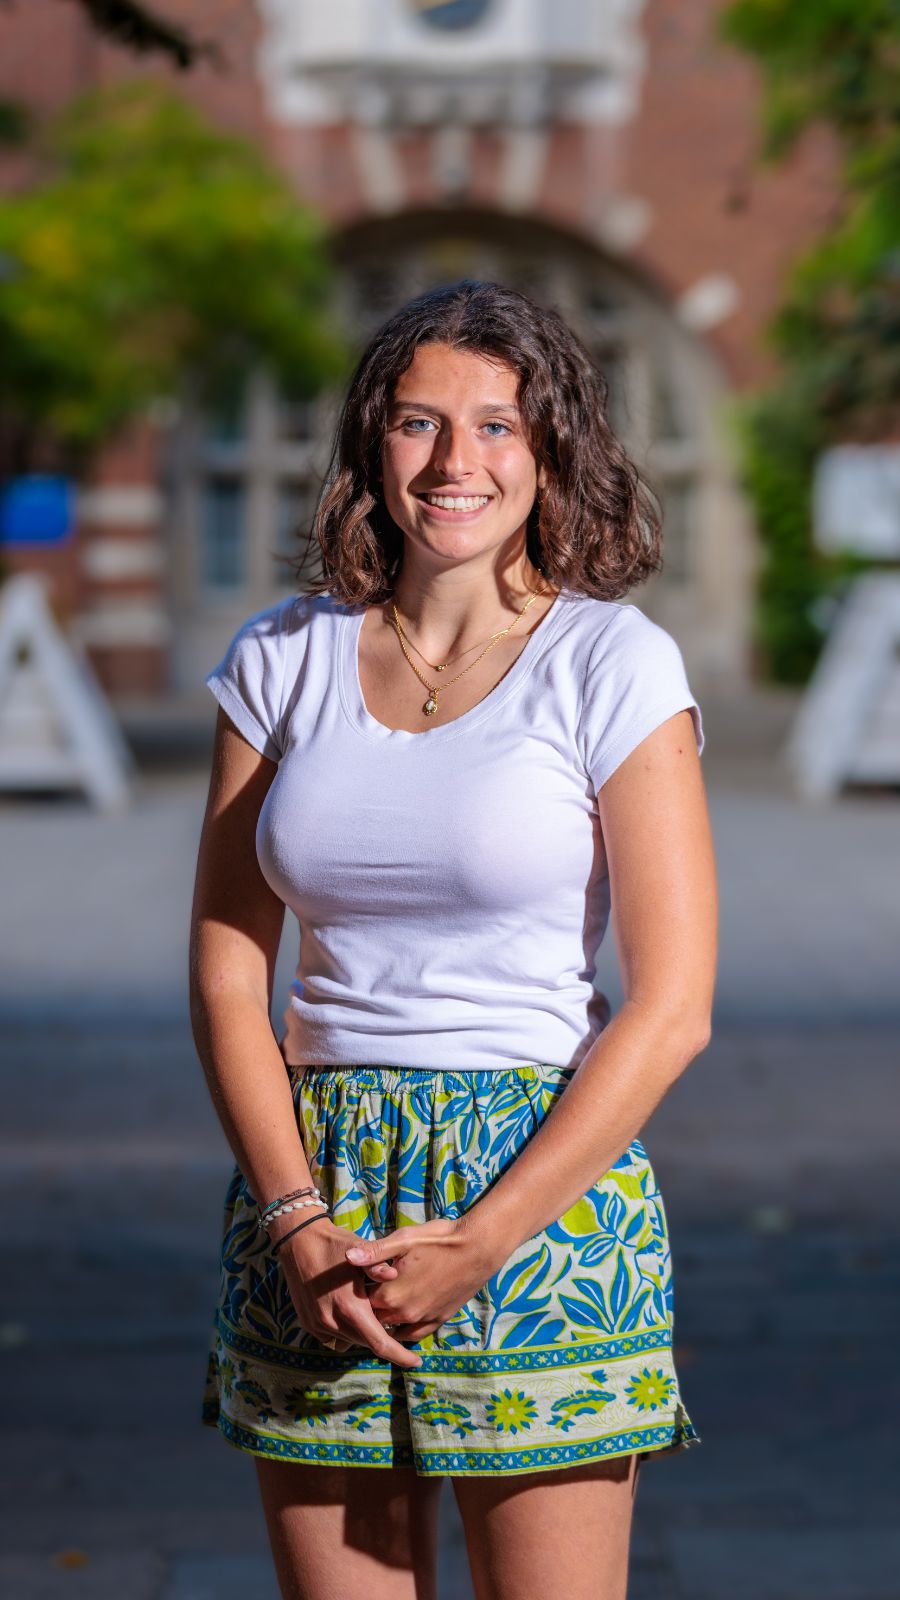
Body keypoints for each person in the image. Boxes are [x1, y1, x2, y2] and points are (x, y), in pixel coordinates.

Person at [189, 278, 718, 1600]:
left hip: (542, 1189)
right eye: (420, 424)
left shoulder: (613, 663)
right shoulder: (283, 657)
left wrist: (488, 1238)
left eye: (498, 426)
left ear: (551, 453)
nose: (455, 462)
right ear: (374, 441)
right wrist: (298, 1220)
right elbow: (226, 965)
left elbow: (672, 1004)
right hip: (315, 1186)